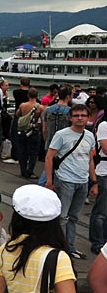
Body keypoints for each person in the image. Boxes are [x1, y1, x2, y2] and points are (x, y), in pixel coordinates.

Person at [45, 103, 97, 260]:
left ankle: (71, 246)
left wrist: (94, 182)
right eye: (76, 115)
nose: (80, 118)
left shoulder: (89, 135)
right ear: (71, 117)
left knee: (74, 217)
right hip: (65, 180)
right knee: (62, 217)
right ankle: (60, 247)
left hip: (82, 181)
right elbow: (49, 157)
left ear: (88, 118)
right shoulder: (61, 135)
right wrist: (49, 181)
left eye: (83, 115)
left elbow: (90, 160)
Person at [14, 87, 43, 179]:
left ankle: (23, 170)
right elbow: (42, 120)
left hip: (23, 130)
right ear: (37, 95)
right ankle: (30, 171)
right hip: (33, 131)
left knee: (23, 151)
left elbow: (17, 114)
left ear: (28, 95)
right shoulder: (40, 107)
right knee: (33, 153)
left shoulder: (23, 105)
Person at [90, 108, 107, 256]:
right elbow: (106, 148)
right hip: (104, 172)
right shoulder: (104, 125)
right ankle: (97, 241)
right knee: (101, 211)